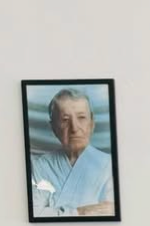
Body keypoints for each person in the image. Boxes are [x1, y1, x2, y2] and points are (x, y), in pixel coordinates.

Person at [29, 88, 115, 218]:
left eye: (81, 118)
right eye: (65, 120)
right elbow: (34, 214)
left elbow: (111, 213)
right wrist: (80, 212)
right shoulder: (39, 166)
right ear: (53, 127)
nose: (74, 128)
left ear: (92, 124)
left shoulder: (109, 165)